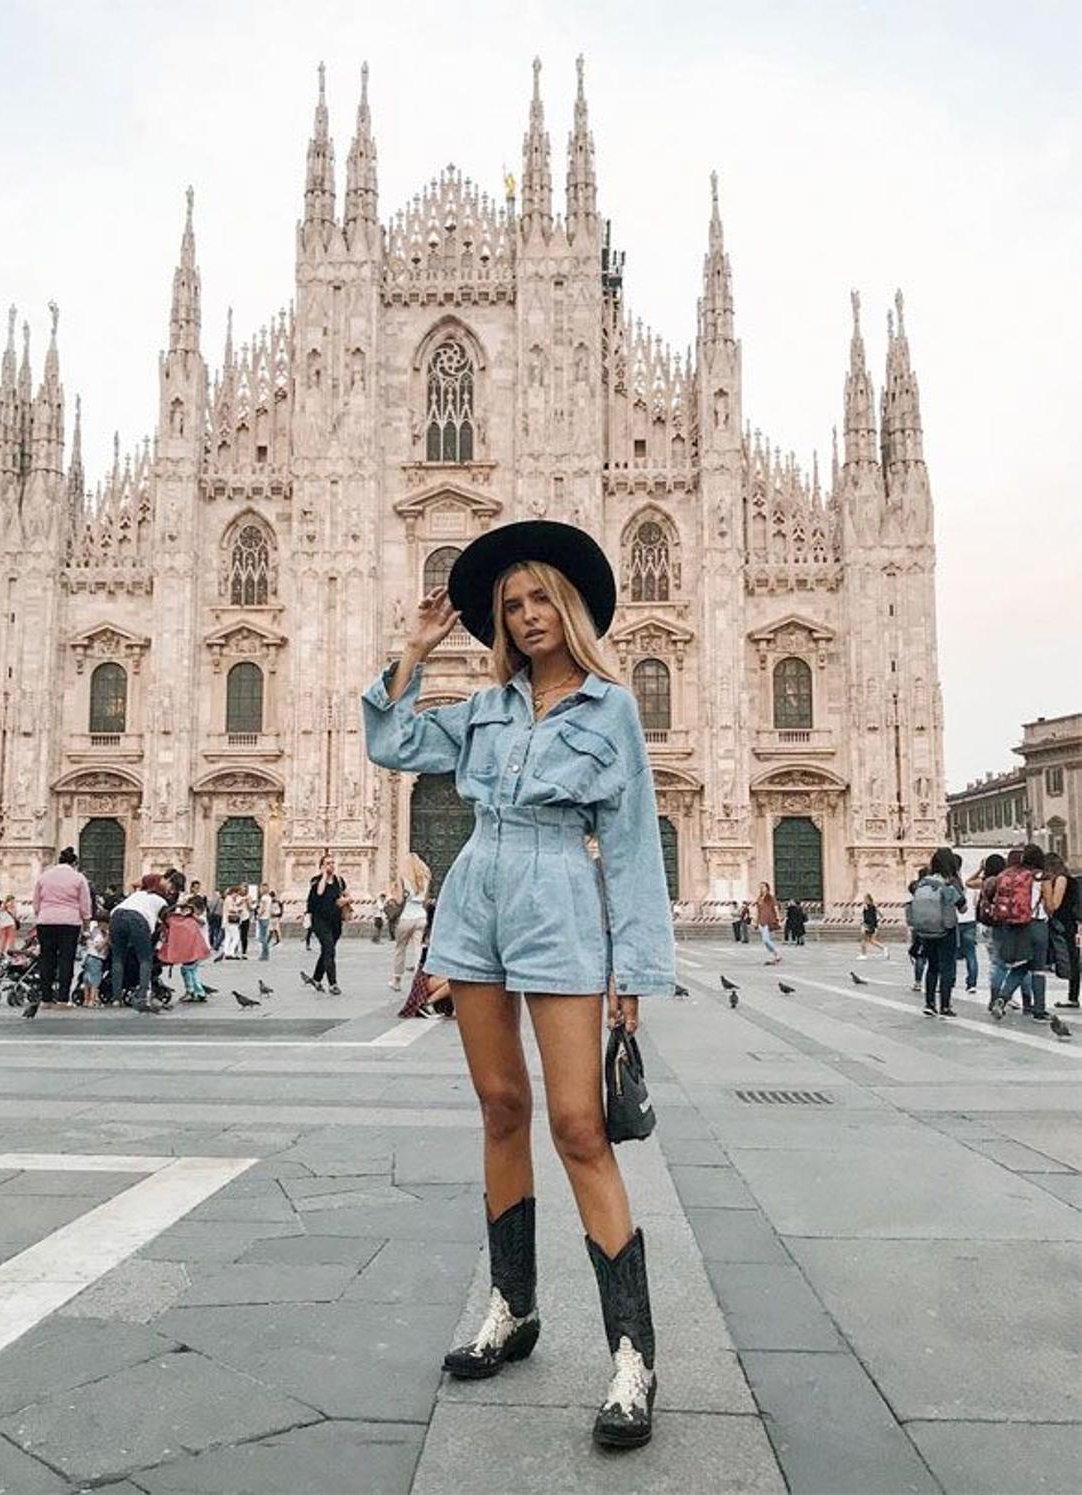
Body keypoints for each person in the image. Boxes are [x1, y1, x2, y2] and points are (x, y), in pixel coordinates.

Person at [362, 520, 674, 1449]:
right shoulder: (487, 708)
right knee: (502, 1106)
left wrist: (635, 970)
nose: (529, 616)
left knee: (579, 1124)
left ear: (568, 609)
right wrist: (413, 649)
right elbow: (392, 741)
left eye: (541, 600)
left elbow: (630, 841)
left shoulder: (610, 707)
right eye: (512, 605)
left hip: (561, 906)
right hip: (476, 902)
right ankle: (513, 1304)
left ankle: (633, 1353)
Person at [989, 843, 1050, 1022]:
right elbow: (1051, 904)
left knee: (1021, 966)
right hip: (1037, 925)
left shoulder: (1011, 875)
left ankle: (1002, 998)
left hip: (1016, 925)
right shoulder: (1040, 877)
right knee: (1038, 970)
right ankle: (1039, 1010)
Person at [30, 847, 92, 1014]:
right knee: (66, 960)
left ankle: (46, 999)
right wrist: (86, 925)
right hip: (69, 923)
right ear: (74, 863)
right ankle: (63, 999)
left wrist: (42, 915)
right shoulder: (79, 878)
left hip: (46, 921)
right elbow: (85, 905)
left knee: (46, 959)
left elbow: (36, 902)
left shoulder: (44, 876)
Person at [907, 847, 966, 1018]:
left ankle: (929, 1003)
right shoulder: (948, 883)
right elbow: (962, 907)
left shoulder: (923, 882)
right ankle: (945, 1006)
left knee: (932, 966)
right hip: (945, 929)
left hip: (925, 931)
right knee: (947, 967)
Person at [110, 874, 171, 1014]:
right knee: (145, 959)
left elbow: (134, 883)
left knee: (118, 958)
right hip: (137, 919)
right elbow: (167, 921)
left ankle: (116, 998)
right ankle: (143, 994)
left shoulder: (136, 895)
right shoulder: (160, 900)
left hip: (116, 916)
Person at [302, 854, 348, 996]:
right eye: (328, 863)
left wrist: (346, 901)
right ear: (321, 866)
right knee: (329, 949)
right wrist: (323, 875)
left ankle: (316, 979)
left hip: (335, 921)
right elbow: (320, 892)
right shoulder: (316, 881)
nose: (331, 866)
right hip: (319, 920)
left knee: (327, 951)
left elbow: (348, 895)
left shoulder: (339, 881)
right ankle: (333, 984)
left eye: (333, 863)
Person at [389, 853, 431, 992]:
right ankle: (418, 978)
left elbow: (400, 900)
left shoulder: (403, 879)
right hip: (421, 917)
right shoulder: (424, 878)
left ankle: (396, 979)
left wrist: (393, 894)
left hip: (407, 918)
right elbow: (425, 900)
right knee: (418, 948)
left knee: (400, 948)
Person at [1043, 852, 1080, 1010]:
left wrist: (1046, 892)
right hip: (1067, 923)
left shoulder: (1061, 879)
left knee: (1071, 958)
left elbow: (1055, 905)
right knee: (1072, 957)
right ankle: (1073, 996)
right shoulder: (1066, 879)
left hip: (1064, 924)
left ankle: (1073, 997)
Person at [160, 895, 211, 1002]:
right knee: (192, 970)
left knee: (187, 969)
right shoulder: (191, 918)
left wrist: (191, 914)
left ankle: (193, 991)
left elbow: (201, 922)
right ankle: (197, 991)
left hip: (197, 949)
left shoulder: (200, 918)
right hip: (195, 949)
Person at [951, 854, 978, 994]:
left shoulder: (949, 881)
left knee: (951, 953)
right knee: (971, 954)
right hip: (970, 920)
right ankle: (972, 983)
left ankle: (951, 980)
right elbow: (975, 901)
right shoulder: (969, 879)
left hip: (954, 920)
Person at [80, 912, 109, 1007]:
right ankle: (92, 1000)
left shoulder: (93, 931)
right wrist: (107, 939)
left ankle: (86, 1000)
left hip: (88, 957)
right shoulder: (99, 933)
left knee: (87, 979)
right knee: (94, 980)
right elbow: (99, 947)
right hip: (95, 958)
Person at [753, 883, 782, 965]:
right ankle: (773, 955)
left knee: (766, 939)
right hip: (761, 921)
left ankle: (777, 953)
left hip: (768, 920)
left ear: (767, 888)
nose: (761, 888)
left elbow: (775, 908)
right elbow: (758, 911)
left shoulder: (770, 898)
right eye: (760, 887)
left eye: (763, 887)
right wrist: (756, 921)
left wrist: (778, 918)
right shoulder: (759, 899)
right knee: (765, 940)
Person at [858, 893, 888, 959]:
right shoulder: (874, 906)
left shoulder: (866, 906)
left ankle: (863, 955)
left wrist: (865, 924)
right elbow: (881, 915)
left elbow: (867, 917)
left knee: (863, 940)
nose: (864, 900)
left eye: (865, 899)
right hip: (873, 925)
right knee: (871, 940)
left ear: (868, 899)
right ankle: (884, 948)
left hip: (868, 925)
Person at [222, 885, 246, 959]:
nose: (237, 895)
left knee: (228, 937)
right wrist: (238, 910)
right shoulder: (229, 899)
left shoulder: (228, 899)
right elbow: (230, 909)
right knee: (236, 937)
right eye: (237, 893)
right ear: (234, 892)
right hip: (231, 921)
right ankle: (231, 952)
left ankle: (226, 952)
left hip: (226, 921)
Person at [254, 885, 273, 961]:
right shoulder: (269, 898)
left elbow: (263, 908)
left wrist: (258, 915)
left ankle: (265, 954)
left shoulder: (264, 898)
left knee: (262, 938)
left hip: (263, 918)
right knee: (263, 937)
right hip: (267, 917)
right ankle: (264, 954)